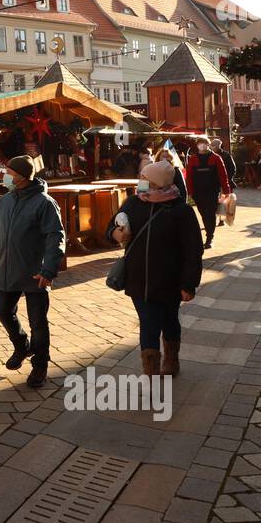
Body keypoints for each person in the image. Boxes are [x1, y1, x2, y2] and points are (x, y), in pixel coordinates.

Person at [107, 160, 203, 376]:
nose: (140, 182)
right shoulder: (133, 203)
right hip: (138, 279)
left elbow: (193, 251)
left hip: (170, 281)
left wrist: (189, 283)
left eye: (145, 179)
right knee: (148, 321)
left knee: (169, 320)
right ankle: (150, 368)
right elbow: (110, 226)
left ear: (158, 184)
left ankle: (171, 358)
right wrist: (116, 233)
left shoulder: (181, 211)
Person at [0, 155, 66, 389]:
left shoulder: (45, 203)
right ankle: (21, 346)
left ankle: (40, 365)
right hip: (7, 271)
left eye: (9, 172)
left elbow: (56, 237)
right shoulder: (4, 201)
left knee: (38, 322)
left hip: (35, 274)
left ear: (22, 177)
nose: (5, 175)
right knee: (3, 312)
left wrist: (49, 269)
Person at [185, 137, 231, 250]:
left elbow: (223, 175)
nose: (202, 145)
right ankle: (209, 233)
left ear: (208, 144)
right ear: (197, 145)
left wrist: (226, 191)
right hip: (198, 192)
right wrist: (190, 192)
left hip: (212, 191)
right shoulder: (193, 159)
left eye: (204, 143)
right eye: (200, 143)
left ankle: (209, 237)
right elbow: (189, 176)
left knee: (210, 214)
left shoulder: (216, 158)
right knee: (203, 214)